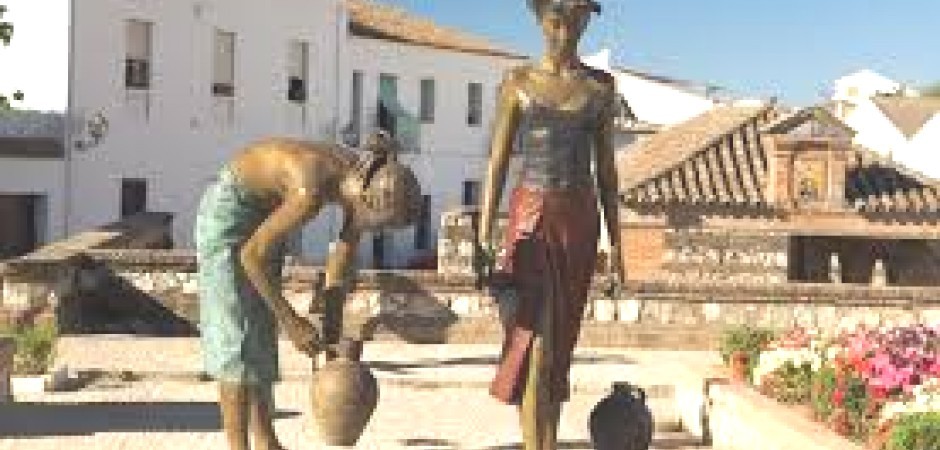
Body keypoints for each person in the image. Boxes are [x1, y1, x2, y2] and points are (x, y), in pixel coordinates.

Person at [195, 132, 420, 450]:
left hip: (264, 214)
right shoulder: (307, 193)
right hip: (229, 215)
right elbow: (250, 256)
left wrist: (331, 331)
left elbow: (339, 267)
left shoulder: (362, 176)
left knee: (259, 329)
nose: (364, 227)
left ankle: (267, 442)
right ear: (365, 198)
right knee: (235, 339)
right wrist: (292, 322)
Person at [476, 1, 625, 448]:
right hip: (529, 219)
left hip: (578, 220)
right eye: (556, 21)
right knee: (533, 340)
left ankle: (547, 441)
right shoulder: (517, 84)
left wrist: (617, 244)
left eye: (575, 22)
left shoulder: (600, 89)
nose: (565, 32)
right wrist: (484, 229)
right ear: (540, 21)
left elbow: (608, 171)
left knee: (559, 347)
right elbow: (498, 160)